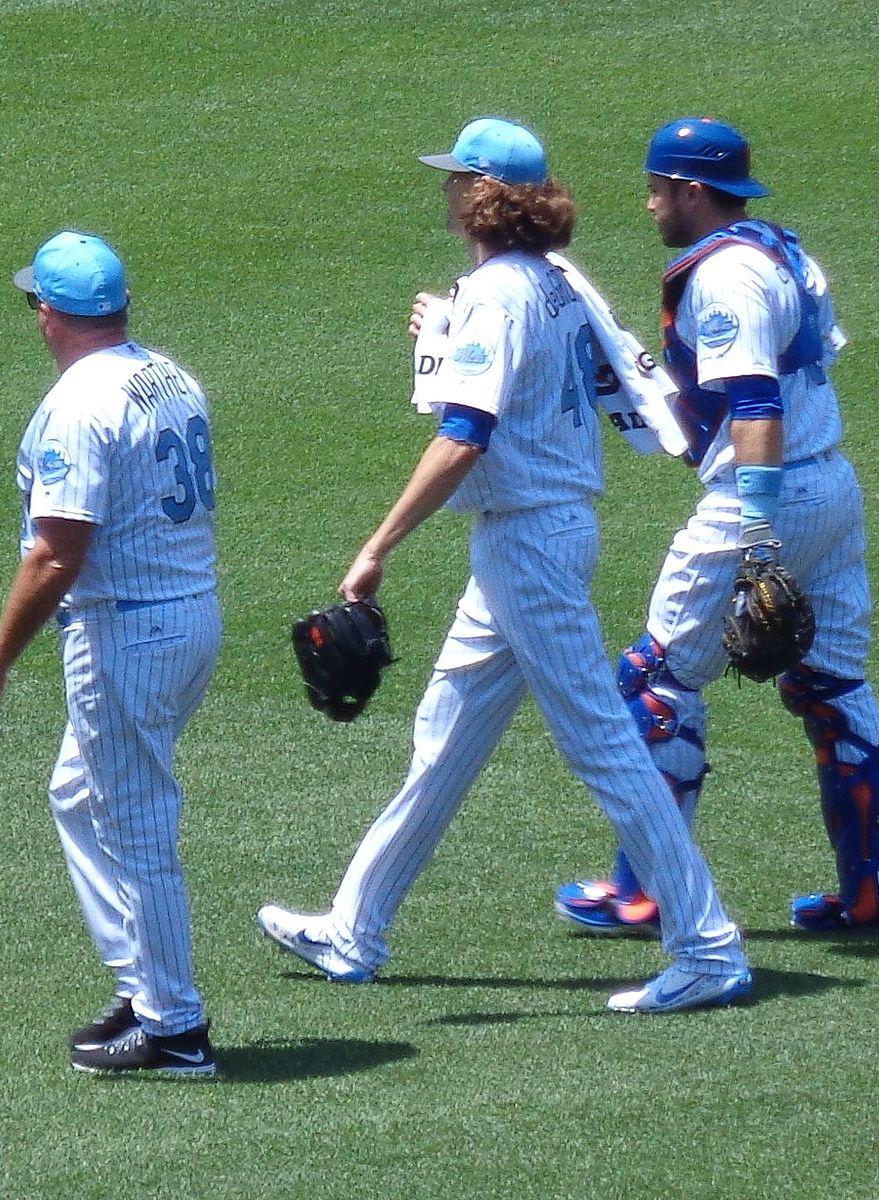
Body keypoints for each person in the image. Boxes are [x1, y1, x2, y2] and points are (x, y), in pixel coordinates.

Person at [256, 118, 750, 1014]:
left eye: (457, 180)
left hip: (529, 543)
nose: (445, 191)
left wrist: (377, 546)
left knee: (603, 745)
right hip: (530, 539)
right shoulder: (548, 281)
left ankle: (708, 949)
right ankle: (353, 929)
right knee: (443, 736)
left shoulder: (498, 292)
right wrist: (442, 336)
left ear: (485, 195)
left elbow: (464, 435)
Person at [553, 118, 879, 937]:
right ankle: (877, 892)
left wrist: (755, 536)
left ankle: (646, 890)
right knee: (833, 687)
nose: (648, 206)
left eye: (656, 190)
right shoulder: (783, 250)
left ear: (690, 190)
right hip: (832, 486)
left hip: (769, 498)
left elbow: (754, 402)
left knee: (656, 683)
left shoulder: (726, 278)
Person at [0, 230, 223, 1075]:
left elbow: (56, 551)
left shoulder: (82, 404)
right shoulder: (167, 372)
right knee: (78, 795)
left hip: (127, 632)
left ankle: (176, 1028)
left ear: (49, 313)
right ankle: (143, 987)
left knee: (137, 826)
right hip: (188, 615)